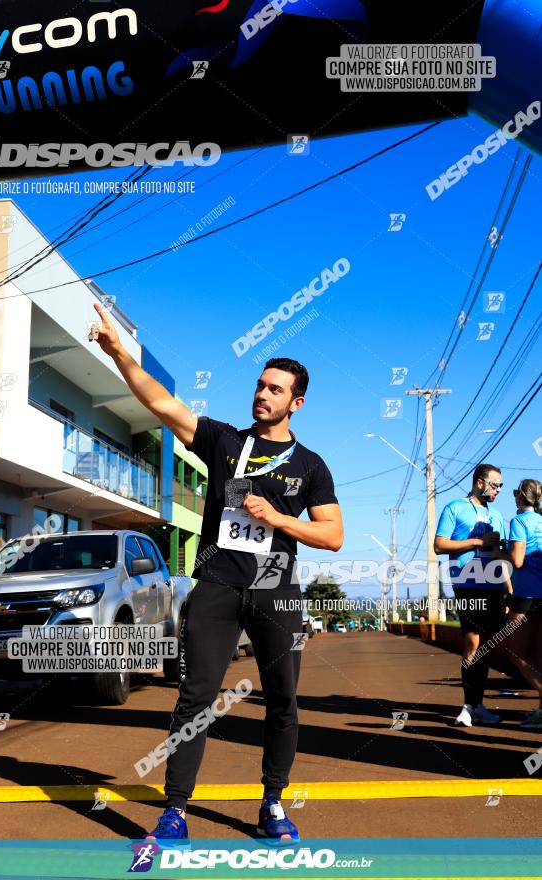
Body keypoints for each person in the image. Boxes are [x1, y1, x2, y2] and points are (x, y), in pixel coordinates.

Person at [90, 302, 343, 842]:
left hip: (276, 586)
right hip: (218, 582)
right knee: (195, 696)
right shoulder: (225, 441)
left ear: (296, 402)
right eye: (260, 385)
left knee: (284, 699)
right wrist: (119, 354)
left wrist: (276, 518)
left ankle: (272, 803)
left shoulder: (310, 465)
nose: (263, 394)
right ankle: (176, 809)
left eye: (275, 389)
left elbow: (333, 536)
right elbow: (162, 404)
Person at [434, 463, 507, 727]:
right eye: (495, 484)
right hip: (467, 583)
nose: (499, 489)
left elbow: (501, 554)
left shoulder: (498, 515)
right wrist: (476, 542)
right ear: (479, 483)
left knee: (486, 646)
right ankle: (467, 705)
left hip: (494, 586)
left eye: (501, 485)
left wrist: (509, 589)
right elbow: (439, 545)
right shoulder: (455, 507)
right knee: (473, 643)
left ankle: (478, 704)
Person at [497, 479, 542, 729]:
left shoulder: (519, 521)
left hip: (526, 594)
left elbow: (517, 559)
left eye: (515, 493)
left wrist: (496, 553)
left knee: (514, 650)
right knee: (537, 652)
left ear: (522, 497)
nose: (513, 497)